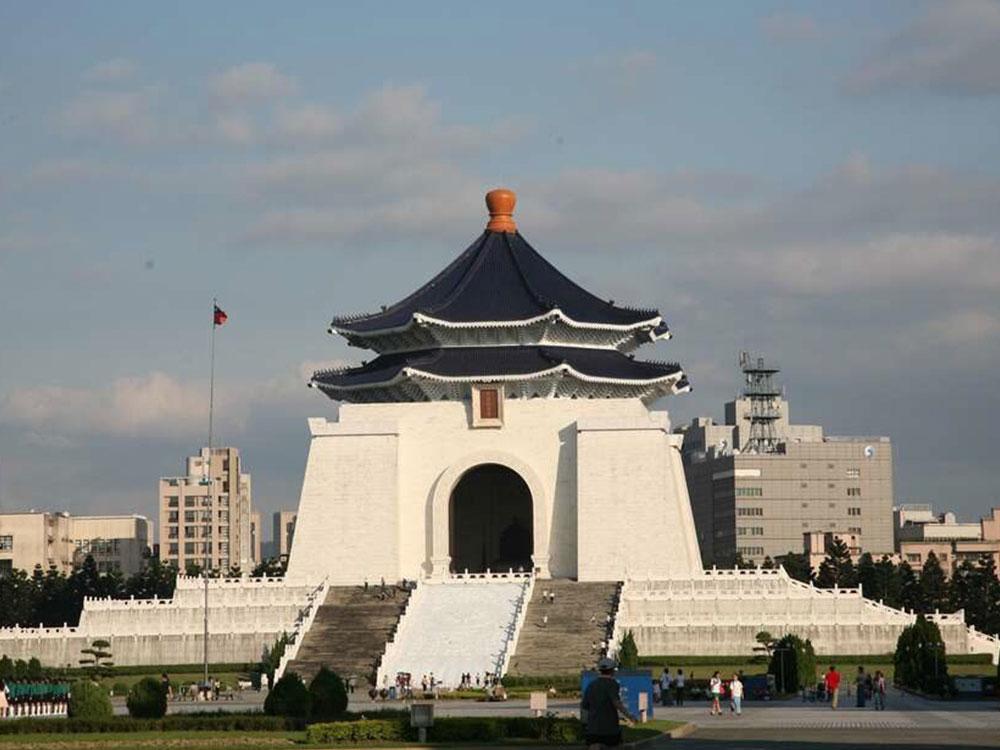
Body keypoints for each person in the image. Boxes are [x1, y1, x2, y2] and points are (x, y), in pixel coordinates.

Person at [581, 657, 636, 749]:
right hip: (609, 726)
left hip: (593, 726)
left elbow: (585, 706)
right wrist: (629, 716)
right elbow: (616, 702)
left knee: (594, 746)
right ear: (612, 671)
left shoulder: (592, 685)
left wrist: (584, 724)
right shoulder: (612, 684)